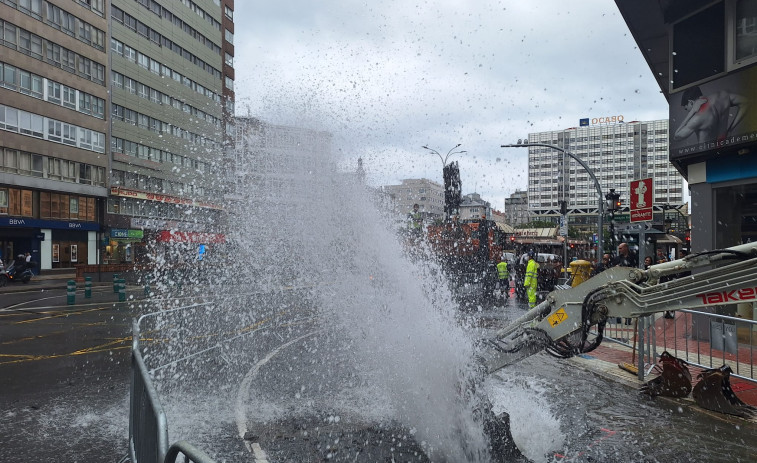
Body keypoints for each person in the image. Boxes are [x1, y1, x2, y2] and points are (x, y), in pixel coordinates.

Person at [673, 86, 748, 144]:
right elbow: (745, 102)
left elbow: (676, 137)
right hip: (725, 147)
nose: (687, 111)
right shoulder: (722, 96)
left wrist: (692, 111)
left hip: (706, 156)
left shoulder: (697, 118)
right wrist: (730, 130)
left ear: (691, 102)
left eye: (687, 109)